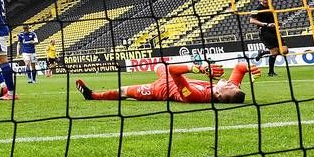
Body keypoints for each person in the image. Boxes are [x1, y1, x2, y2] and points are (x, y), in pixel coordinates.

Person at [75, 61, 259, 103]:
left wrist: (199, 68)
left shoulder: (195, 96)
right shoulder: (231, 90)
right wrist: (251, 68)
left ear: (219, 95)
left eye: (227, 85)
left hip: (159, 89)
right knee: (158, 64)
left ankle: (92, 96)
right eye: (232, 83)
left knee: (125, 91)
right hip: (170, 78)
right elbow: (239, 67)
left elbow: (174, 72)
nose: (229, 81)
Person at [250, 0, 287, 76]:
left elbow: (271, 20)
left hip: (274, 31)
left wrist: (277, 23)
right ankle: (271, 72)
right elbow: (252, 20)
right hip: (265, 31)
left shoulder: (271, 8)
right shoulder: (256, 9)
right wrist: (266, 24)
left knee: (284, 50)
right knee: (274, 52)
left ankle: (263, 52)